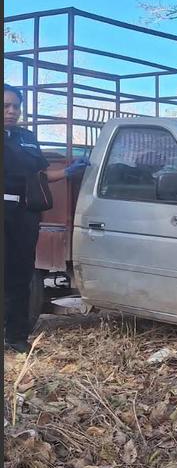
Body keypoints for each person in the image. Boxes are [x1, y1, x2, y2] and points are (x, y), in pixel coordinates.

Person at [4, 83, 88, 353]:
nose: (11, 111)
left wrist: (69, 172)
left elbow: (40, 175)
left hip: (24, 214)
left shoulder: (27, 138)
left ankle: (16, 338)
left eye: (16, 106)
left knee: (20, 276)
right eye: (5, 105)